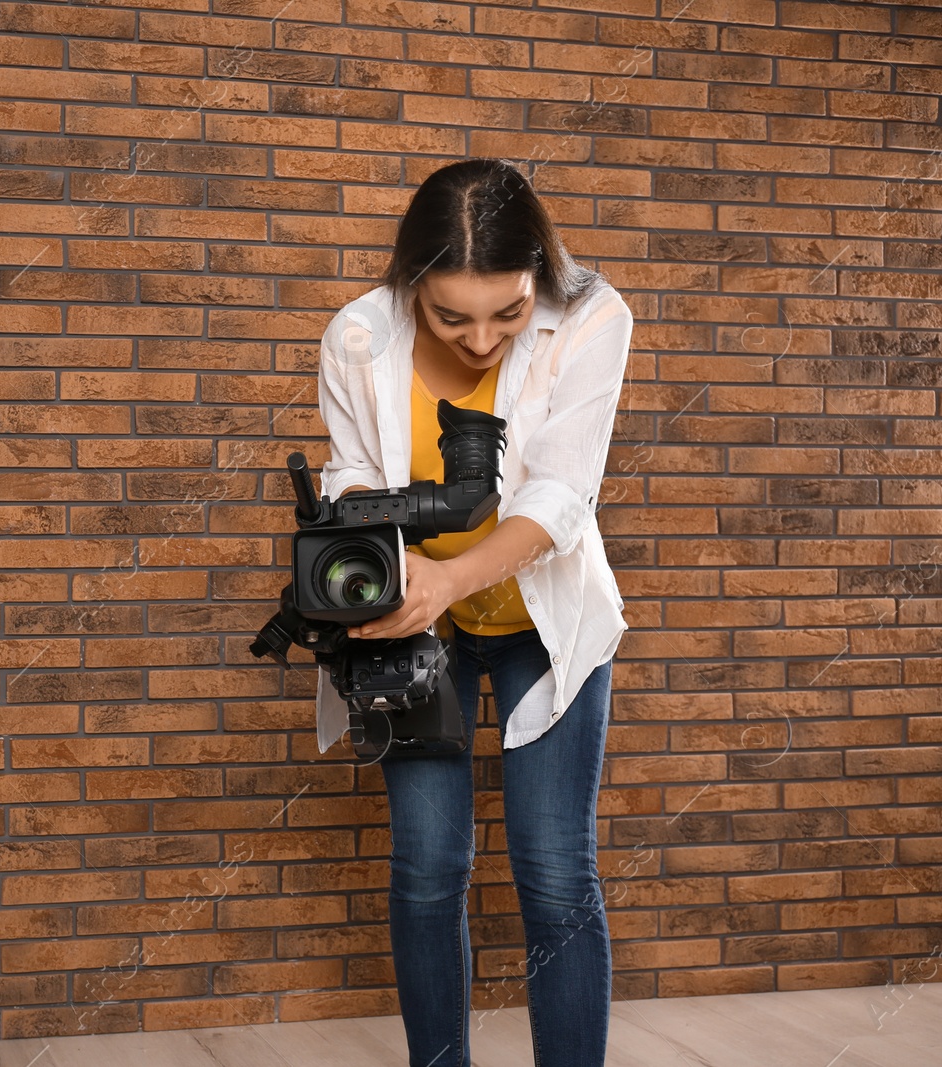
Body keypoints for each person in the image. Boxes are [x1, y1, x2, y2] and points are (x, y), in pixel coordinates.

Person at [313, 158, 633, 1067]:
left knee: (556, 871)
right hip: (418, 634)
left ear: (538, 273)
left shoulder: (594, 318)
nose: (483, 339)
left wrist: (448, 583)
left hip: (544, 622)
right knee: (426, 870)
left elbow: (562, 495)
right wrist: (402, 587)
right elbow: (353, 485)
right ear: (412, 284)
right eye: (452, 316)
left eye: (508, 312)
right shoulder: (355, 338)